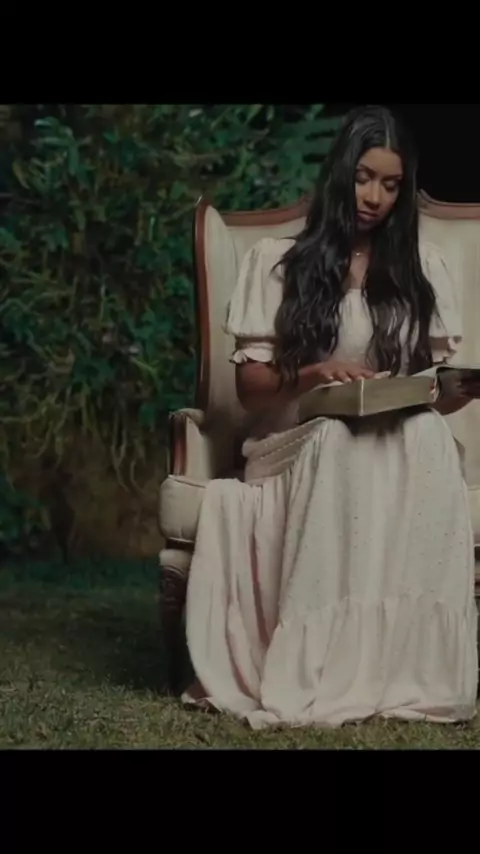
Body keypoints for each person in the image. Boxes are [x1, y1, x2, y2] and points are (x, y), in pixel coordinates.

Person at [182, 104, 479, 729]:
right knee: (337, 438)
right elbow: (251, 388)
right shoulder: (279, 261)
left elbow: (425, 390)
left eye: (391, 185)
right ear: (342, 172)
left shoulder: (420, 271)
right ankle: (323, 666)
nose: (374, 198)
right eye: (365, 178)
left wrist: (451, 391)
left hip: (386, 432)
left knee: (427, 431)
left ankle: (410, 670)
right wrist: (316, 373)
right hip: (295, 438)